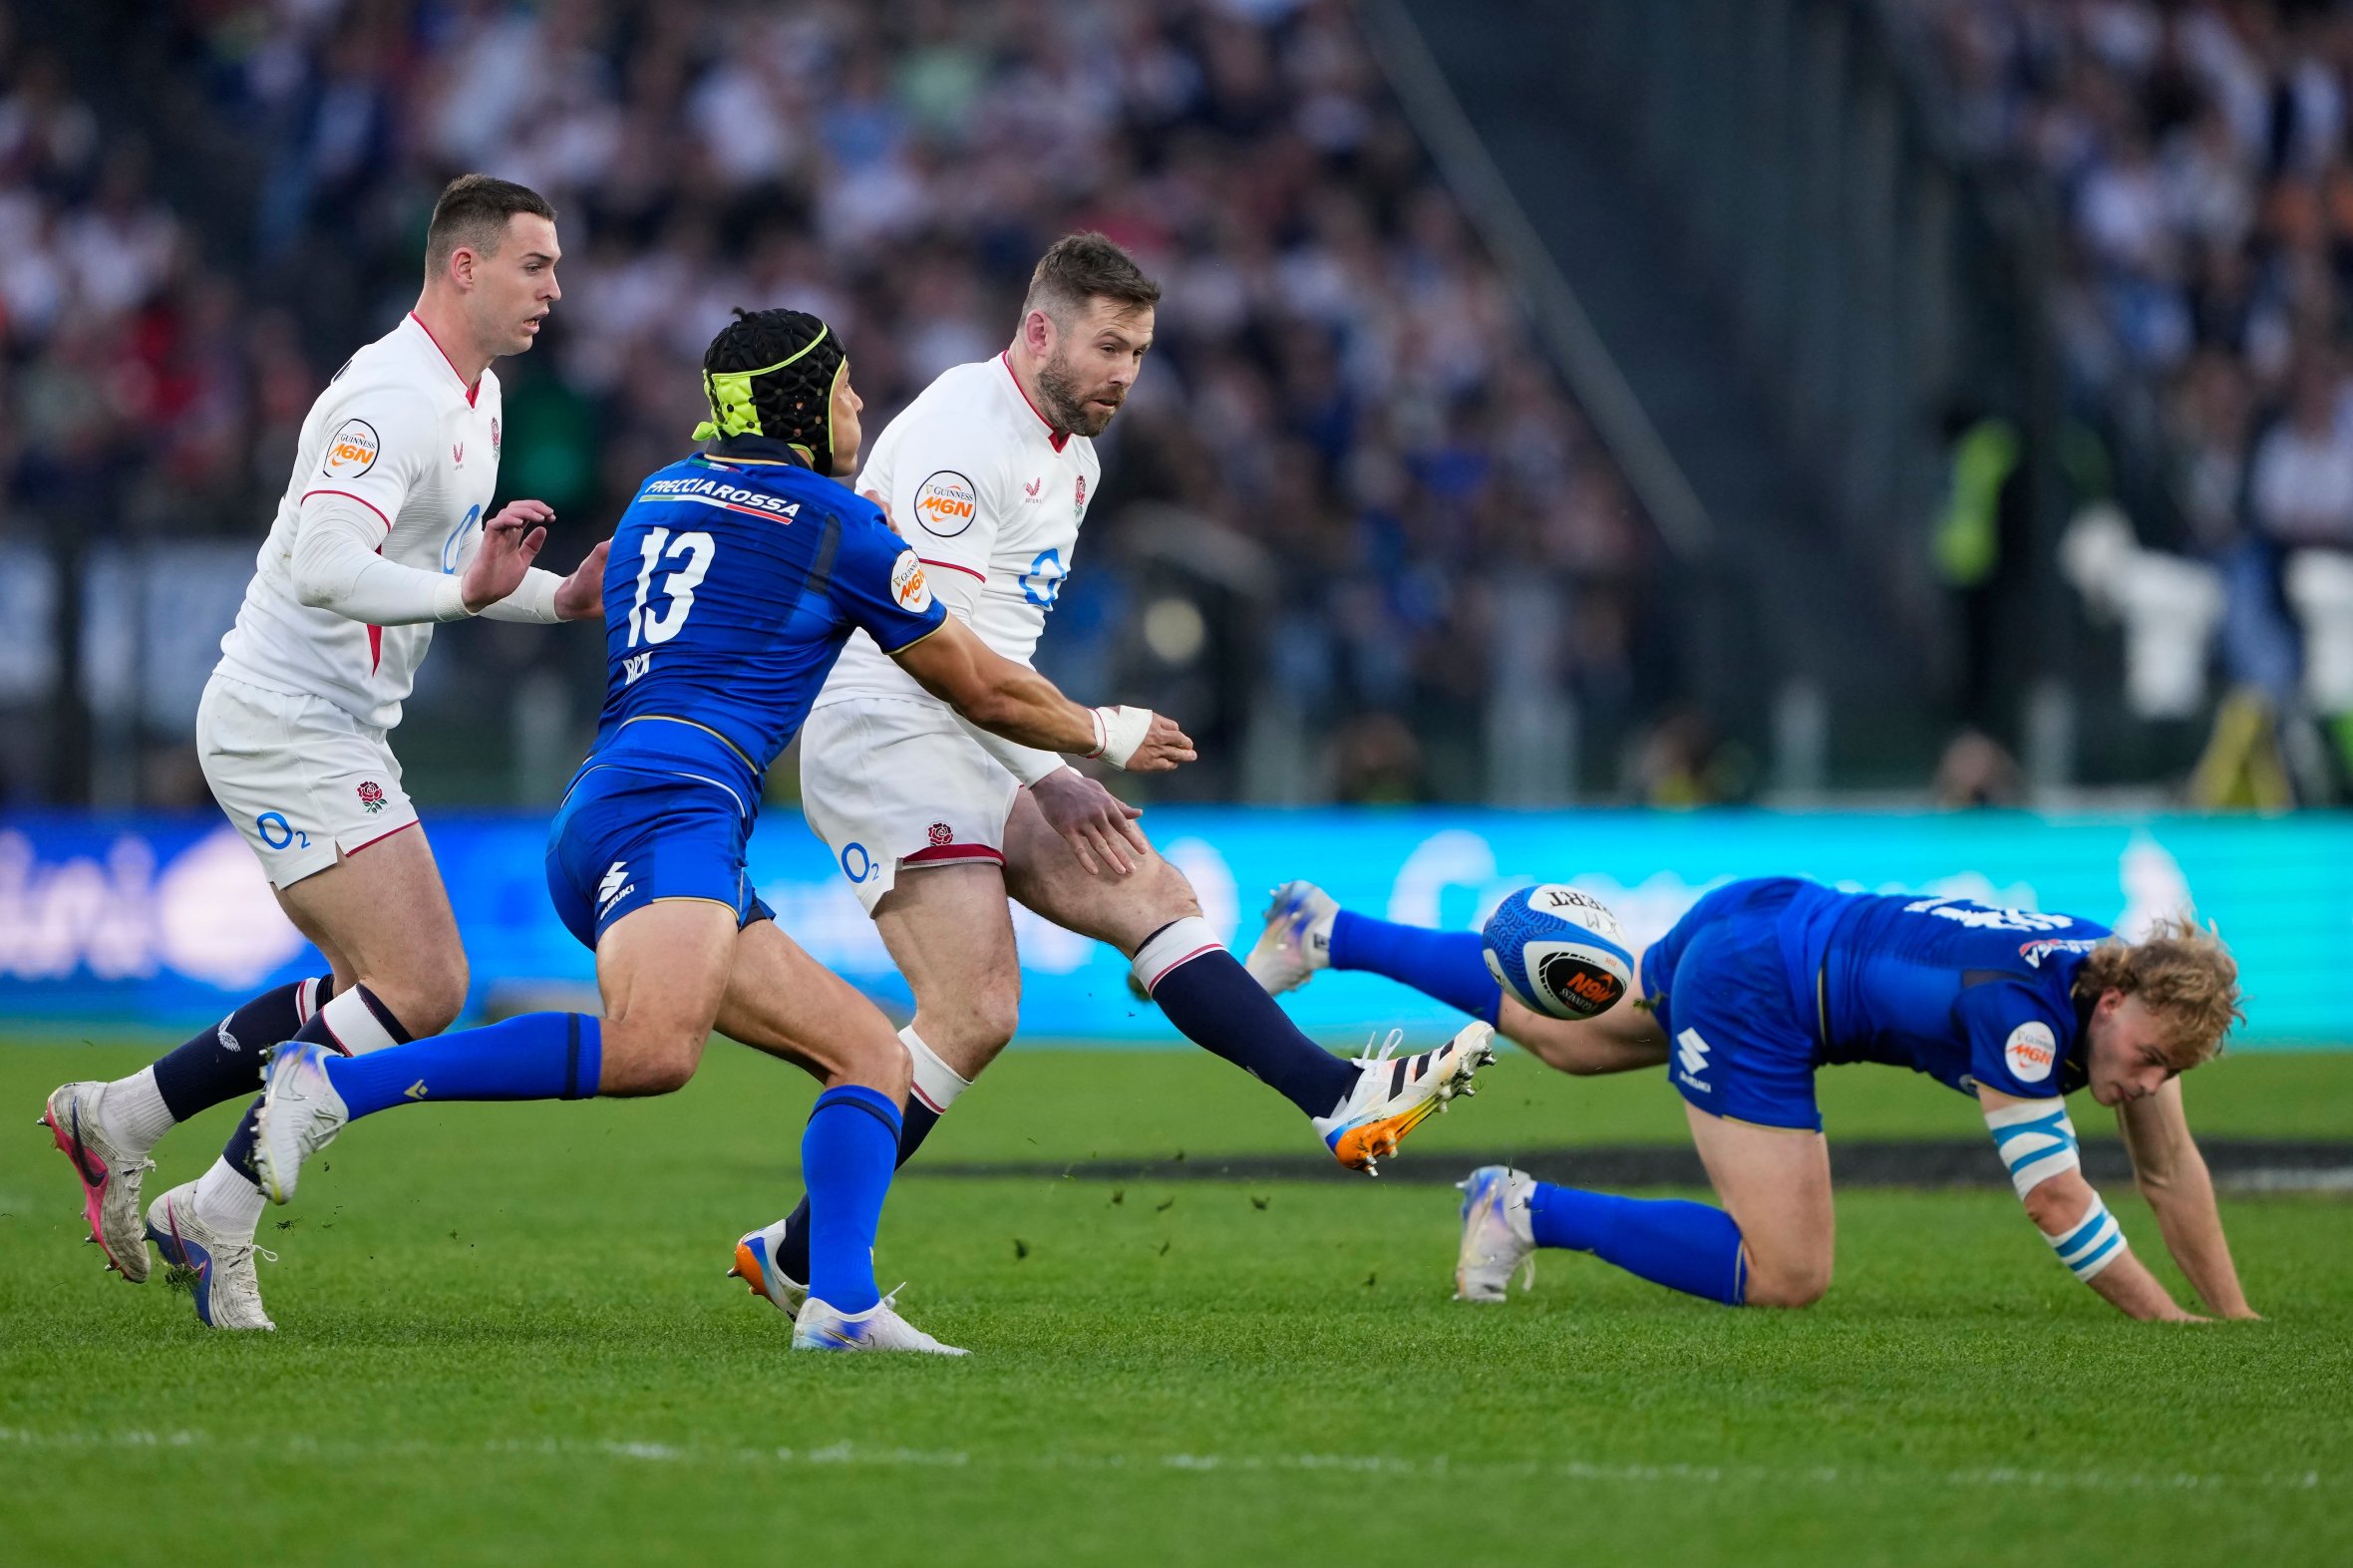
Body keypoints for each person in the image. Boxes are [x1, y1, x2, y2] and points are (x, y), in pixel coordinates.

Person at [249, 306, 1191, 1354]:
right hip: (672, 809)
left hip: (627, 797)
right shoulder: (835, 525)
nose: (860, 408)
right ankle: (333, 1080)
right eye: (842, 391)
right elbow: (977, 684)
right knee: (654, 1050)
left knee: (870, 1057)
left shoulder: (662, 490)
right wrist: (1103, 729)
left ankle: (838, 1303)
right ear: (800, 407)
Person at [731, 234, 1494, 1317]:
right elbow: (938, 651)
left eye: (1138, 351)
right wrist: (1070, 755)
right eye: (1108, 346)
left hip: (979, 730)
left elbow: (994, 651)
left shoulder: (1074, 455)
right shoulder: (960, 432)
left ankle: (1337, 1098)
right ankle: (816, 1265)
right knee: (977, 1005)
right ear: (1037, 330)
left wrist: (1047, 762)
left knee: (1154, 897)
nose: (1125, 373)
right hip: (886, 731)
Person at [40, 174, 607, 1330]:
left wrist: (555, 602)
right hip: (282, 717)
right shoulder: (389, 397)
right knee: (427, 983)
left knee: (362, 994)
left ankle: (125, 1116)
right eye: (534, 264)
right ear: (464, 265)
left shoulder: (477, 396)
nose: (555, 287)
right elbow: (325, 565)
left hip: (339, 722)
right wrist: (462, 587)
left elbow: (445, 572)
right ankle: (218, 1211)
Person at [1246, 878, 2258, 1321]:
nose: (2146, 1082)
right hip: (1762, 988)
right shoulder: (2026, 1020)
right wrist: (2166, 1321)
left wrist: (2231, 1312)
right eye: (2153, 1059)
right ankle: (1517, 1209)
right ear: (2118, 1000)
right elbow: (2052, 1200)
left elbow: (2164, 1165)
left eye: (2168, 1072)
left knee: (1573, 1042)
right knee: (1787, 1272)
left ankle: (1326, 931)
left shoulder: (2101, 974)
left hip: (1770, 912)